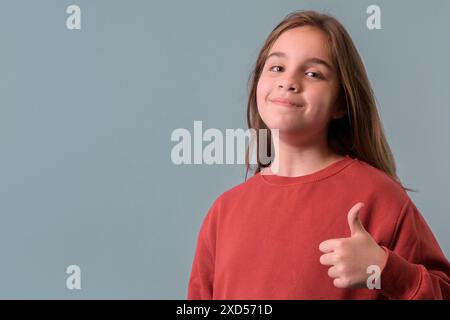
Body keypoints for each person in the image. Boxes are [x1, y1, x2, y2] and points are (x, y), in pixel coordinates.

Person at [187, 10, 450, 299]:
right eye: (276, 68)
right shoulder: (223, 212)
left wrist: (384, 270)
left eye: (313, 73)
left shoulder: (379, 197)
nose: (289, 81)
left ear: (340, 103)